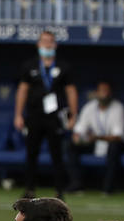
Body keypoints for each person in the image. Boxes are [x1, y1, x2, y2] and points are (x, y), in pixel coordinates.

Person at [14, 30, 79, 200]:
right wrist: (18, 114)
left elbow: (71, 91)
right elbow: (22, 90)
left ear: (55, 44)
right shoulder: (30, 66)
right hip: (34, 116)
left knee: (57, 154)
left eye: (50, 42)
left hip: (55, 117)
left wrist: (74, 115)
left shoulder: (64, 67)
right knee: (31, 153)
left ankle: (59, 190)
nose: (47, 45)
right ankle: (29, 189)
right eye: (44, 41)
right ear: (38, 44)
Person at [67, 81, 124, 195]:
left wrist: (95, 137)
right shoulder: (89, 107)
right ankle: (76, 185)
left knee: (114, 147)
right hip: (95, 142)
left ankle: (108, 188)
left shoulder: (118, 108)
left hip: (116, 143)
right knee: (71, 145)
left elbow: (117, 136)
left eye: (106, 91)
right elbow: (79, 130)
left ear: (111, 93)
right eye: (101, 91)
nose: (104, 94)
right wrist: (77, 137)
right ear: (96, 93)